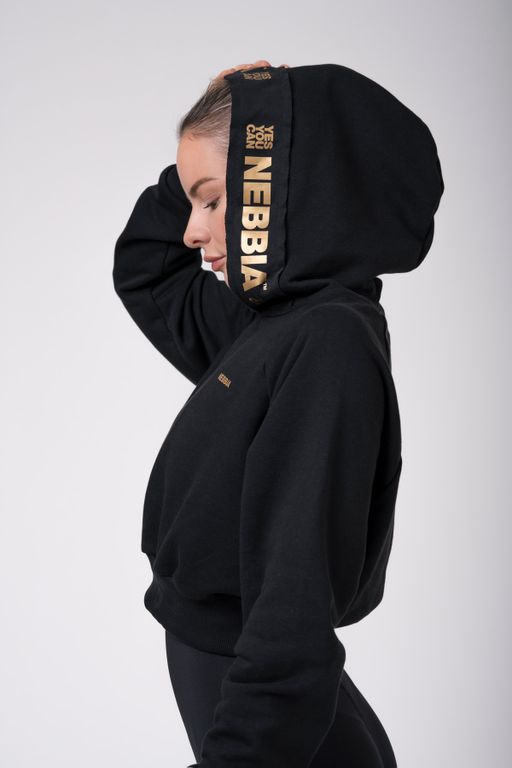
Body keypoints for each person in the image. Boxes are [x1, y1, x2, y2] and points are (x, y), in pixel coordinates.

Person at [112, 59, 444, 767]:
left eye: (210, 201)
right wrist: (234, 132)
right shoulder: (275, 319)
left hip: (257, 699)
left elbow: (294, 602)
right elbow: (147, 267)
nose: (191, 232)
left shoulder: (327, 344)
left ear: (274, 188)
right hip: (247, 677)